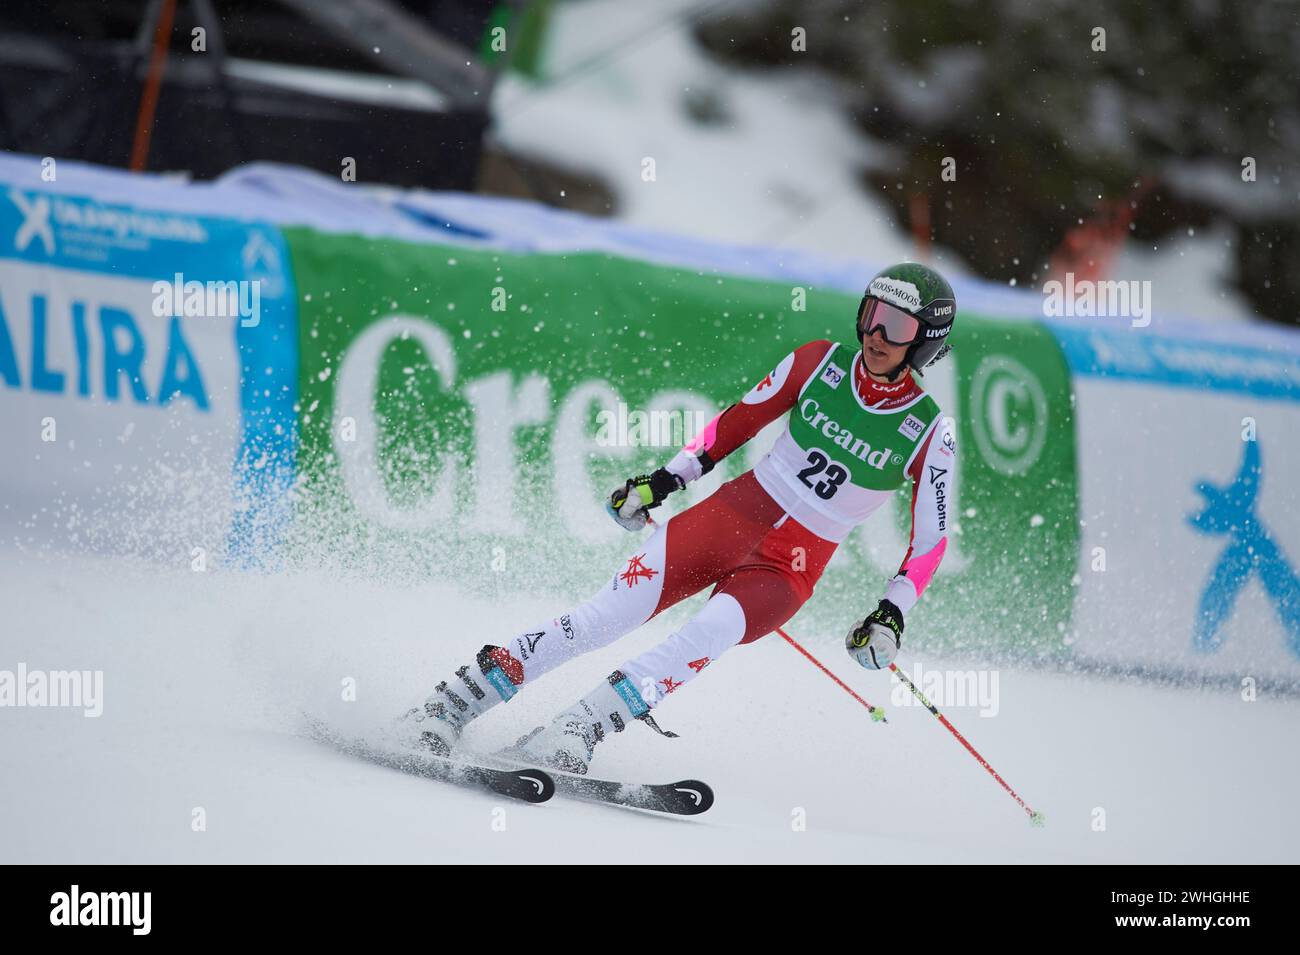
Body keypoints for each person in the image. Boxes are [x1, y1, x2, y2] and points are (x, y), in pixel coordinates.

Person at [399, 262, 959, 774]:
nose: (875, 335)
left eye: (897, 326)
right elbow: (737, 422)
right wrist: (661, 481)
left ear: (926, 343)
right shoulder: (818, 361)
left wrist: (891, 613)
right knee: (607, 614)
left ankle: (580, 726)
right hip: (730, 517)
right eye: (871, 315)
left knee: (706, 634)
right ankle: (455, 701)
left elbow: (930, 541)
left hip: (790, 567)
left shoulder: (931, 431)